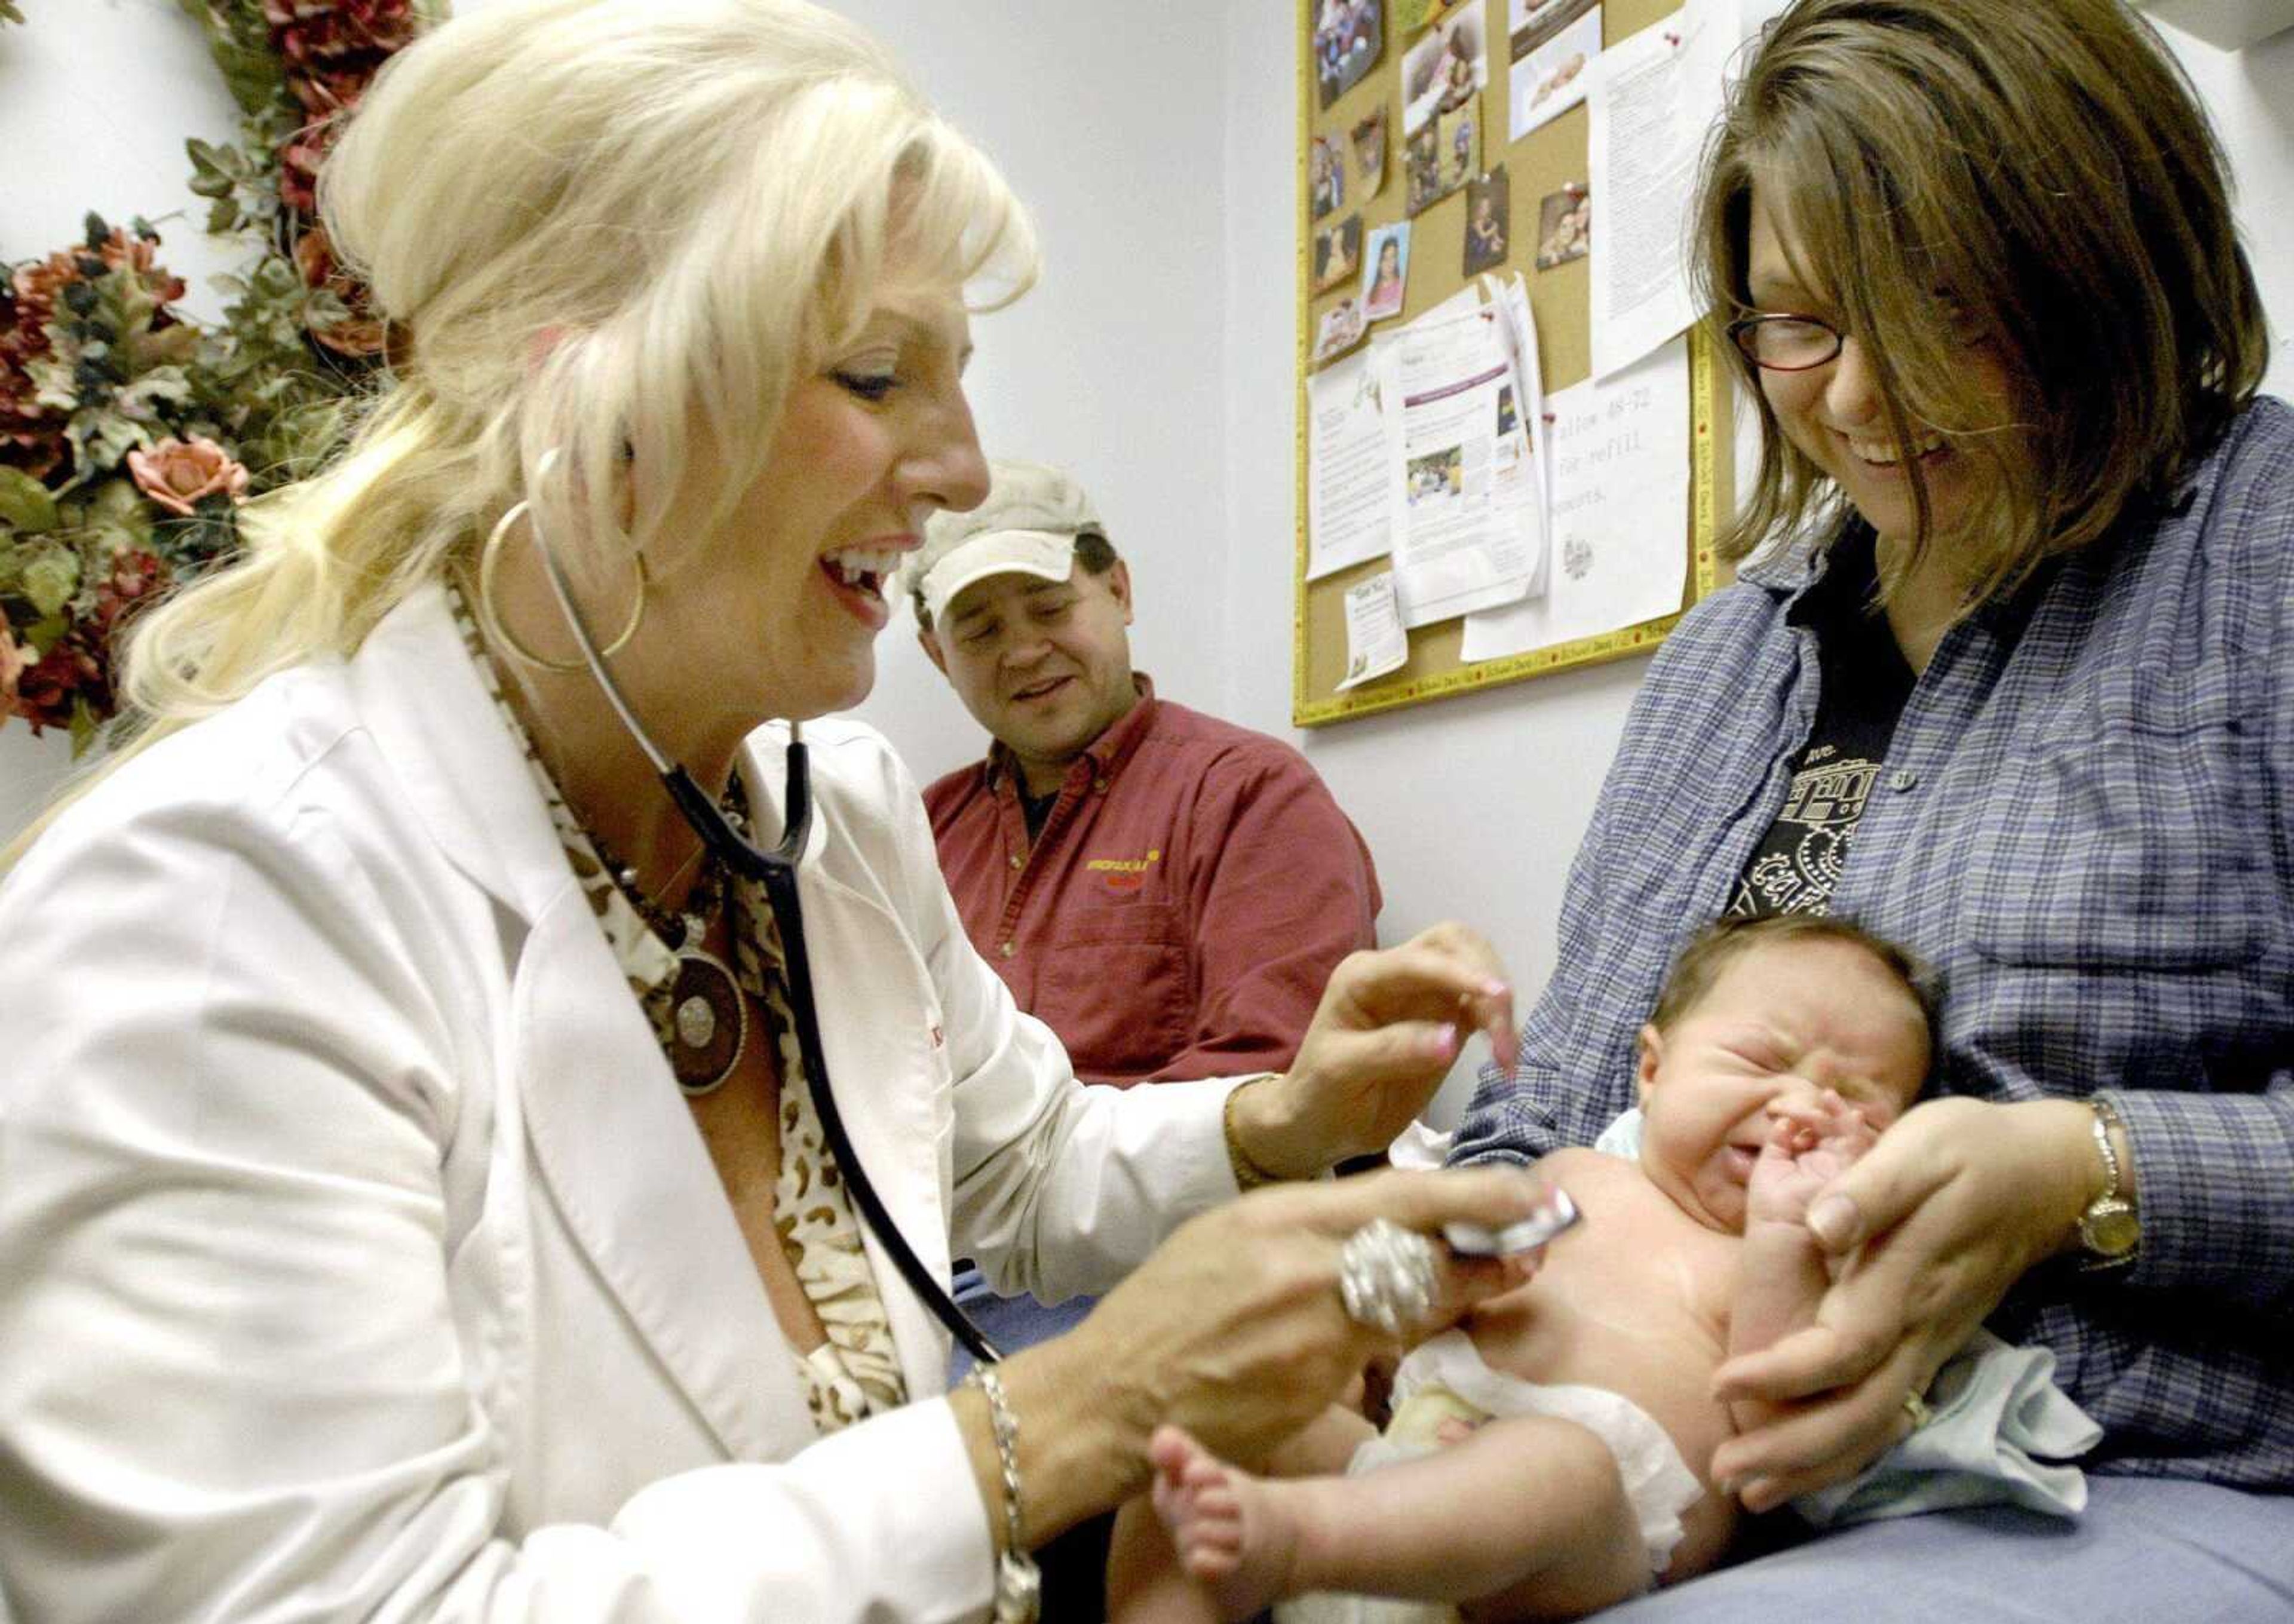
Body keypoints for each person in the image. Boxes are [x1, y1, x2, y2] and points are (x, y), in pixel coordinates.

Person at [0, 5, 1562, 1620]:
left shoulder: (840, 813)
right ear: (590, 405)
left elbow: (1017, 1159)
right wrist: (1062, 1420)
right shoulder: (217, 907)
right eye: (882, 373)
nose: (962, 469)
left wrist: (1280, 1120)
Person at [1453, 0, 2293, 1615]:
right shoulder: (1729, 655)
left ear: (2105, 268)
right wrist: (1400, 1243)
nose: (1864, 403)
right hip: (1618, 1430)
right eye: (1801, 325)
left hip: (2098, 1473)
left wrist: (2086, 1164)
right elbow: (1563, 1089)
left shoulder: (2257, 551)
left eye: (1944, 311)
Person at [1113, 915, 1943, 1622]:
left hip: (1584, 1537)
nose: (1800, 1108)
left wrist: (1783, 1239)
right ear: (1653, 1072)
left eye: (1855, 1102)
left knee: (1561, 1465)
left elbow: (1778, 1436)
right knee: (1206, 1407)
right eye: (1765, 1062)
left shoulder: (1808, 1260)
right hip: (1395, 1450)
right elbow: (1425, 1299)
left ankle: (1298, 1538)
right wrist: (1374, 1334)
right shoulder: (1572, 1174)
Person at [908, 459, 1382, 1089]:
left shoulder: (1249, 796)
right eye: (981, 630)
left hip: (1183, 1187)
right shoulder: (920, 831)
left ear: (1120, 591)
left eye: (1050, 608)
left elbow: (1285, 1082)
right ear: (938, 655)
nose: (1023, 652)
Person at [1365, 235, 1405, 318]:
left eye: (1393, 257)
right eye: (1385, 258)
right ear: (1379, 262)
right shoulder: (1372, 293)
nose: (1388, 264)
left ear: (1397, 260)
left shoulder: (1401, 286)